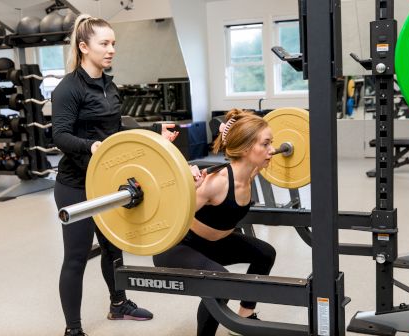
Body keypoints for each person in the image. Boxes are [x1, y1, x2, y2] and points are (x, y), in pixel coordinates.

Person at [52, 14, 178, 336]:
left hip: (107, 184)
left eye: (113, 44)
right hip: (76, 185)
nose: (111, 50)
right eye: (104, 44)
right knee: (77, 257)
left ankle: (118, 304)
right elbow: (60, 136)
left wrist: (154, 132)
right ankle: (73, 329)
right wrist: (92, 147)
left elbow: (118, 130)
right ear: (84, 47)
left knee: (113, 248)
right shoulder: (69, 88)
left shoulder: (109, 85)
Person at [153, 108, 277, 336]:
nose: (273, 150)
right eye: (266, 144)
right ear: (246, 148)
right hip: (179, 246)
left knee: (265, 253)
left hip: (215, 245)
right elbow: (168, 217)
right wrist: (190, 188)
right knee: (220, 282)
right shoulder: (215, 183)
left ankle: (245, 317)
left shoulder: (252, 172)